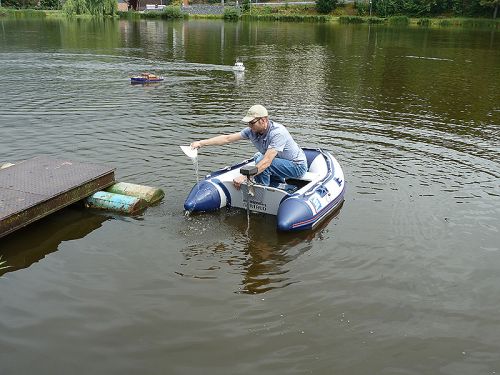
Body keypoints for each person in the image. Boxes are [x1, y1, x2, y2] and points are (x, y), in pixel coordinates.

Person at [190, 104, 307, 190]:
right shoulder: (251, 131)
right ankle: (276, 182)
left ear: (263, 120)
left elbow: (267, 161)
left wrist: (245, 177)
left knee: (261, 159)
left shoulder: (277, 133)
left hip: (297, 166)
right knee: (257, 156)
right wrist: (201, 143)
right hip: (281, 162)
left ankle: (263, 190)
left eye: (252, 122)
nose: (249, 126)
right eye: (248, 123)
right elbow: (227, 138)